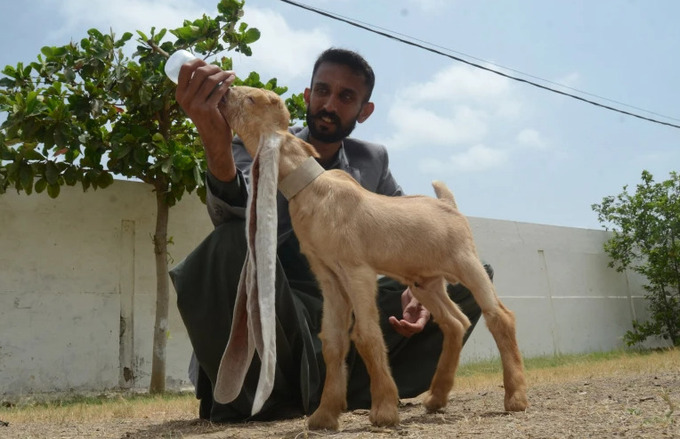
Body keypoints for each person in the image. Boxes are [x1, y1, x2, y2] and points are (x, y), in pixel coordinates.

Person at [169, 48, 492, 423]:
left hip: (346, 302)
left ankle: (336, 388)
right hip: (282, 302)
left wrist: (419, 281)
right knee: (228, 244)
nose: (329, 104)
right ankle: (286, 388)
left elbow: (408, 228)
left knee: (469, 278)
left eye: (346, 97)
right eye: (322, 91)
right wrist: (215, 141)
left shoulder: (372, 160)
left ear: (364, 111)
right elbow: (236, 216)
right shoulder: (260, 139)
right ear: (307, 96)